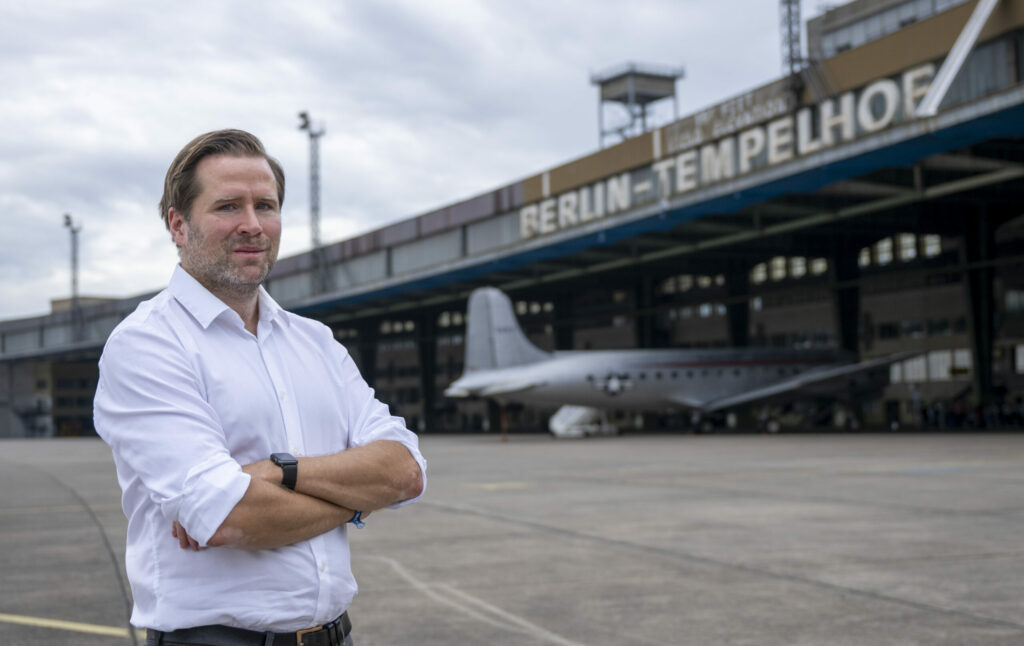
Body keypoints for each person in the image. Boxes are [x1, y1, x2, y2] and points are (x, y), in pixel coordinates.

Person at [94, 129, 426, 646]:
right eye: (228, 206)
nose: (253, 225)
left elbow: (404, 470)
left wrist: (275, 472)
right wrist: (358, 501)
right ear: (178, 225)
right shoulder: (147, 344)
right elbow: (229, 517)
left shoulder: (314, 342)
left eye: (266, 206)